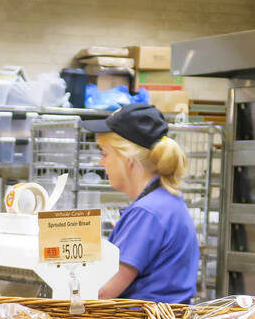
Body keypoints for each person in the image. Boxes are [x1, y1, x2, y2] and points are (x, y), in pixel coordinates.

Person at [81, 102, 198, 304]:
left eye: (105, 153)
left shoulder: (147, 212)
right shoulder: (165, 202)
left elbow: (102, 292)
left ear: (128, 160)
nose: (101, 162)